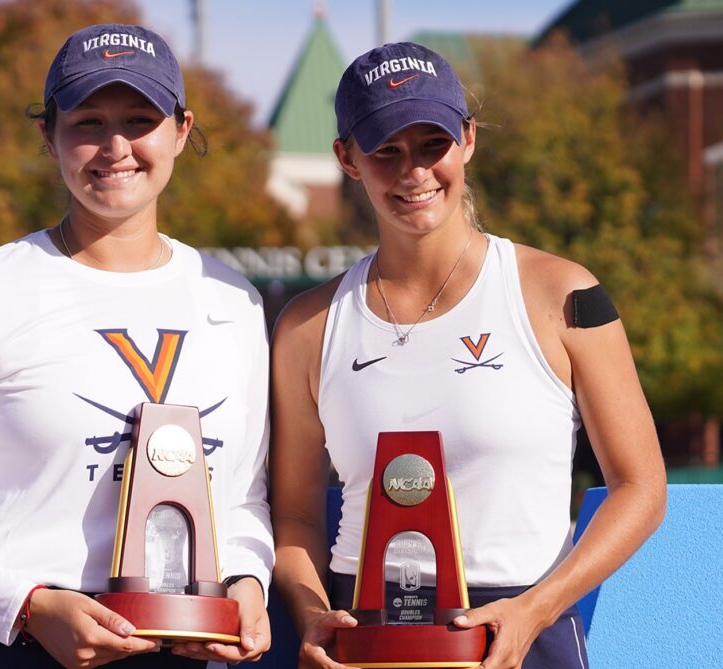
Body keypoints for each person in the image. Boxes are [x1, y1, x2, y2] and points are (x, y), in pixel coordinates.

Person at [0, 23, 273, 669]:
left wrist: (246, 582)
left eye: (139, 119)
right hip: (15, 646)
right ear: (49, 136)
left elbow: (240, 498)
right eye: (88, 121)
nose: (115, 145)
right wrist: (25, 605)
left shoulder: (233, 299)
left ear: (181, 130)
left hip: (183, 644)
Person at [269, 42, 666, 669]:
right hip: (364, 635)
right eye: (386, 151)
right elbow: (294, 517)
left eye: (433, 145)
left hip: (521, 628)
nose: (414, 172)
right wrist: (314, 616)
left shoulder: (561, 294)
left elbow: (641, 489)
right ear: (347, 158)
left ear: (468, 139)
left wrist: (538, 608)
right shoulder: (306, 326)